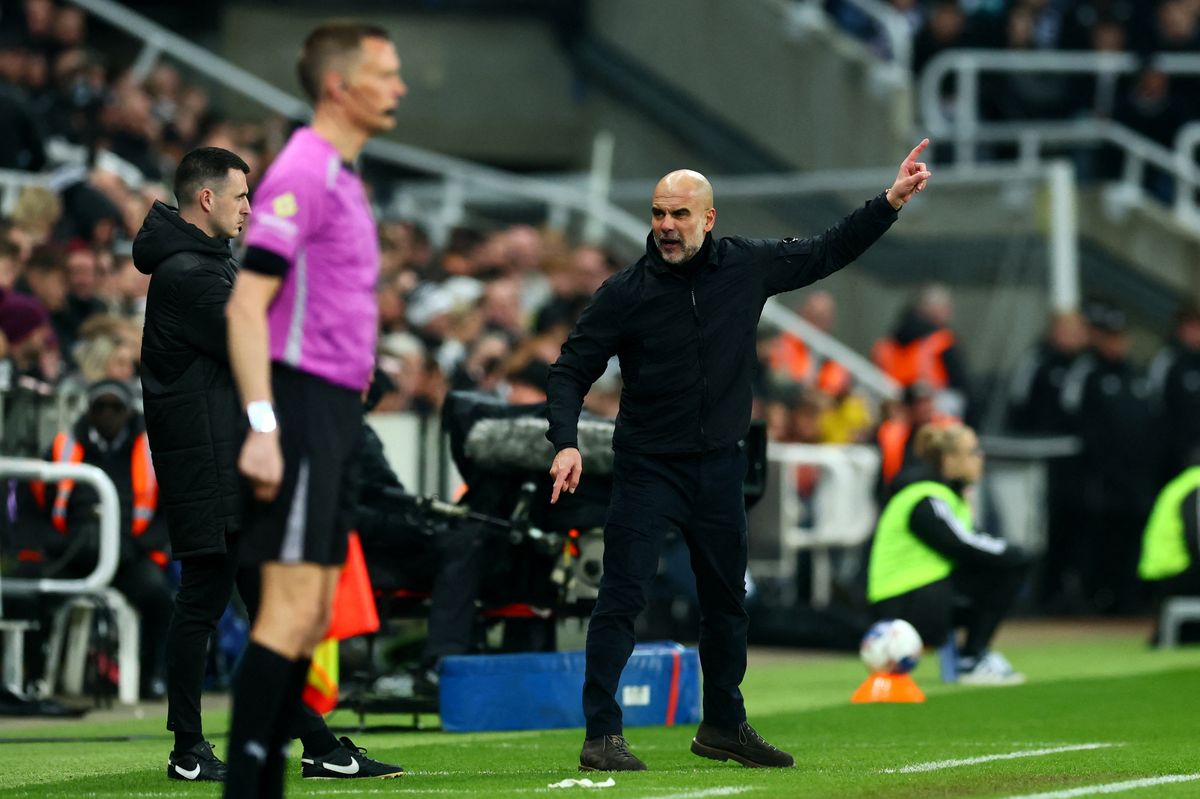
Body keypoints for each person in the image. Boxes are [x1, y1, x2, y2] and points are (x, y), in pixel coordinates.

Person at [546, 142, 933, 771]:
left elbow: (826, 249)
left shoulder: (745, 266)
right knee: (622, 595)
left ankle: (723, 724)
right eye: (657, 213)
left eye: (678, 214)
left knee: (727, 602)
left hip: (721, 465)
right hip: (648, 465)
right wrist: (564, 440)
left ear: (709, 218)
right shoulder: (625, 293)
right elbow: (569, 372)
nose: (665, 226)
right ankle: (601, 734)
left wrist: (889, 202)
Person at [136, 146, 398, 783]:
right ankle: (190, 750)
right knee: (206, 603)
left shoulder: (203, 265)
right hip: (211, 465)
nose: (249, 209)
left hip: (223, 460)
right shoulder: (189, 275)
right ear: (207, 199)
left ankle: (310, 743)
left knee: (257, 603)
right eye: (241, 197)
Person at [222, 22, 407, 797]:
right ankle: (249, 785)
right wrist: (264, 427)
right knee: (289, 608)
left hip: (334, 409)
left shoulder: (343, 174)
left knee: (310, 612)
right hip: (296, 405)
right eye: (385, 73)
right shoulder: (301, 169)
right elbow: (245, 307)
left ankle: (265, 781)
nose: (398, 87)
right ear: (339, 84)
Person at [28, 379, 173, 698]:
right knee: (31, 592)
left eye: (116, 408)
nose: (108, 414)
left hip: (128, 555)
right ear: (89, 410)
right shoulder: (62, 446)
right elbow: (31, 503)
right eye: (100, 407)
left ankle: (154, 678)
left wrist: (142, 545)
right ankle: (31, 678)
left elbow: (169, 513)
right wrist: (56, 543)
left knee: (161, 600)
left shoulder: (151, 449)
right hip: (71, 553)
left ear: (128, 411)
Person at [867, 423, 1029, 685]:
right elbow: (960, 544)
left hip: (923, 595)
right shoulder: (925, 497)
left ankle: (974, 656)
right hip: (903, 604)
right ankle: (972, 659)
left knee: (1006, 564)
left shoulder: (950, 496)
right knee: (1012, 564)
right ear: (950, 459)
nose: (980, 458)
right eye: (973, 451)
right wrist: (1015, 553)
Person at [1139, 452, 1200, 645]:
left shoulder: (1179, 485)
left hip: (1160, 574)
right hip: (1178, 571)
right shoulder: (1195, 486)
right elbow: (1194, 534)